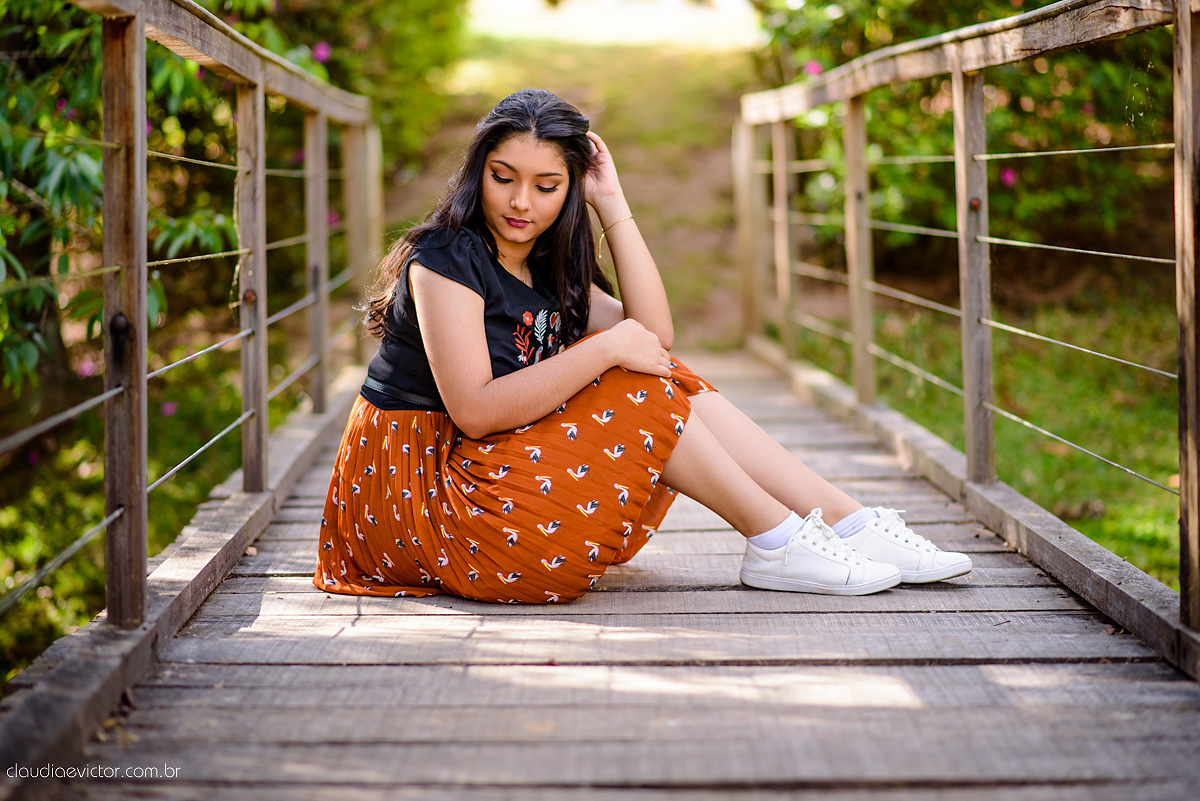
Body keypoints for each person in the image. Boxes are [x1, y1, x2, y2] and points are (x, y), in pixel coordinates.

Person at [312, 88, 971, 604]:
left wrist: (614, 203)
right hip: (424, 501)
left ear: (571, 188)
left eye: (547, 186)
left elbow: (655, 337)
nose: (520, 202)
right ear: (477, 171)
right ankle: (777, 541)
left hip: (487, 478)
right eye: (503, 176)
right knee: (635, 377)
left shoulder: (543, 263)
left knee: (657, 367)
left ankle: (848, 523)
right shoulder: (446, 259)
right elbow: (477, 411)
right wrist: (603, 351)